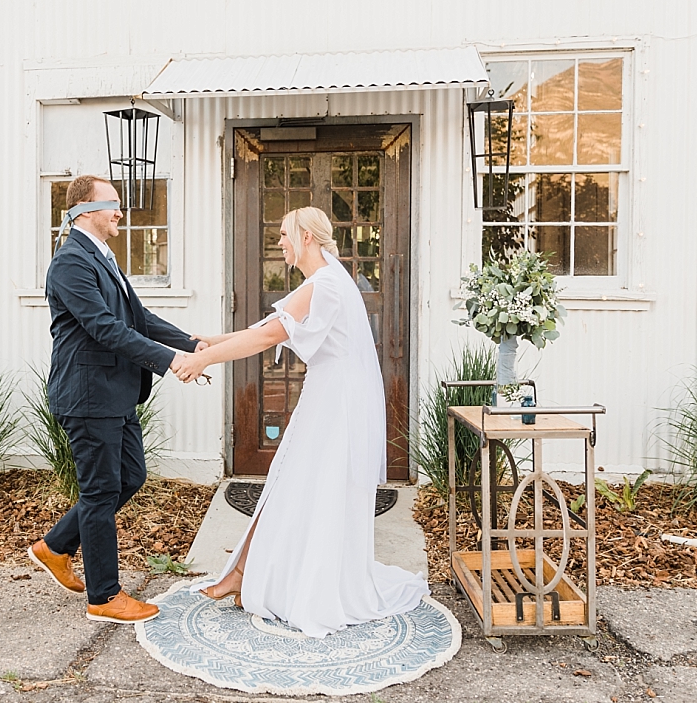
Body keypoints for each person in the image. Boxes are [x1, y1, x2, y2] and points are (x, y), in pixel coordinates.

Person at [172, 206, 429, 638]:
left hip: (335, 405)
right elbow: (271, 324)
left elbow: (272, 335)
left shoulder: (326, 283)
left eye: (284, 234)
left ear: (307, 236)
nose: (280, 242)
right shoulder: (326, 279)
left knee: (300, 484)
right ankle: (243, 572)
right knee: (288, 483)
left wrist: (204, 360)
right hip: (327, 397)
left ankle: (256, 575)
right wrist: (216, 340)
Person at [28, 174, 205, 624]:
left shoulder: (101, 257)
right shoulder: (70, 263)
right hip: (88, 396)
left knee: (129, 476)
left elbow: (136, 317)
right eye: (113, 204)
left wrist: (190, 344)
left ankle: (54, 546)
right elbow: (105, 329)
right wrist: (170, 362)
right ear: (84, 209)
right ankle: (104, 597)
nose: (120, 212)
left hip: (115, 394)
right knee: (101, 489)